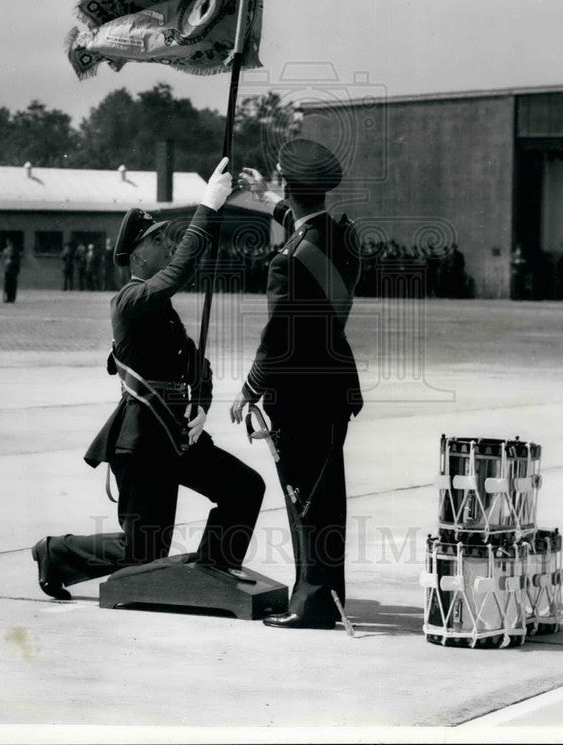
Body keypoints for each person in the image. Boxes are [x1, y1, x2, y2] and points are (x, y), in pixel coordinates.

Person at [31, 158, 265, 599]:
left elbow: (198, 365)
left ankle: (214, 569)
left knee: (244, 488)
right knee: (142, 551)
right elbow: (179, 272)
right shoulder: (131, 300)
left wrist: (202, 404)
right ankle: (55, 553)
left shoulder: (158, 306)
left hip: (176, 434)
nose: (165, 244)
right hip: (142, 443)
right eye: (157, 240)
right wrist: (207, 208)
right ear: (139, 254)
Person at [231, 139, 363, 630]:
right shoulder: (340, 237)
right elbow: (304, 222)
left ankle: (311, 604)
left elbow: (279, 336)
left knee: (304, 500)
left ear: (290, 184)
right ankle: (327, 596)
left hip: (300, 394)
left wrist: (249, 388)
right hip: (334, 386)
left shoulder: (288, 259)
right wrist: (272, 197)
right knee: (326, 500)